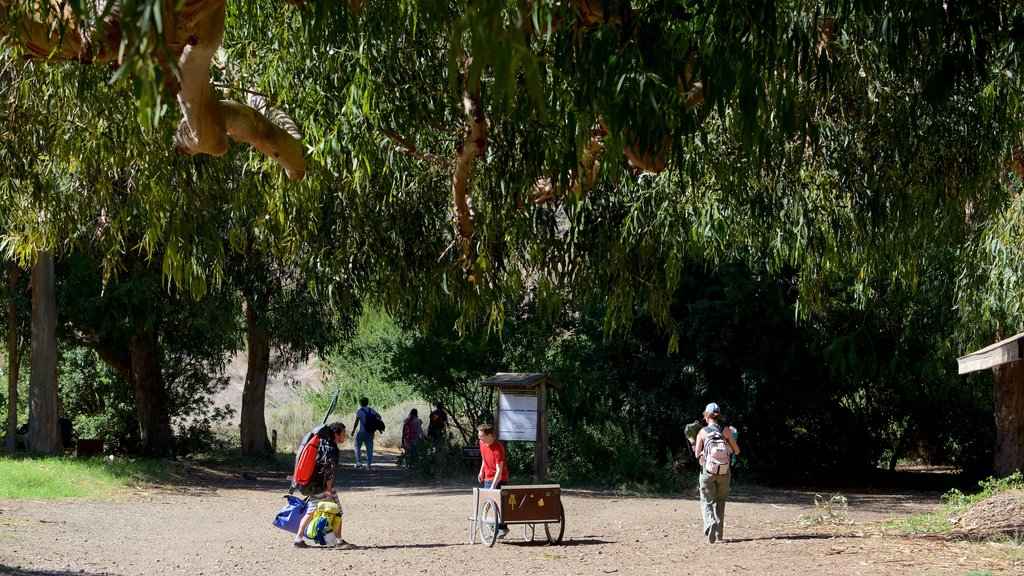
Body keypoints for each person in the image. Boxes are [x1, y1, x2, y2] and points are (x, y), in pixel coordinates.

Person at [294, 422, 355, 549]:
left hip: (313, 485)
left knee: (310, 511)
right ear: (336, 434)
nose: (345, 435)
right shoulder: (332, 449)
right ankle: (339, 541)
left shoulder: (321, 445)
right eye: (343, 433)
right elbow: (329, 470)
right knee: (337, 511)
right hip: (323, 486)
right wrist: (328, 489)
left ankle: (298, 540)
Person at [693, 402, 740, 544]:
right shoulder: (726, 430)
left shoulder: (702, 432)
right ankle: (719, 533)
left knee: (706, 501)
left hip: (708, 471)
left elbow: (696, 454)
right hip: (724, 472)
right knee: (720, 502)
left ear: (706, 416)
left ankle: (710, 522)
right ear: (719, 415)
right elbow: (737, 450)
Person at [477, 423, 509, 538]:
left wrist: (494, 486)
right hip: (487, 477)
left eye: (482, 436)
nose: (480, 438)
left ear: (490, 435)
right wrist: (482, 471)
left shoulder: (498, 448)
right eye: (479, 436)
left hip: (499, 479)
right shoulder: (482, 443)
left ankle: (502, 528)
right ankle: (493, 529)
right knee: (487, 505)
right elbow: (484, 458)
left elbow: (499, 470)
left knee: (499, 505)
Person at [351, 397, 380, 468]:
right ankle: (368, 463)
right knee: (369, 447)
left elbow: (356, 422)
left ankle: (359, 462)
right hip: (370, 431)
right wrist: (374, 423)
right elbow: (379, 417)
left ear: (361, 403)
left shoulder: (360, 411)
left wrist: (353, 430)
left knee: (357, 446)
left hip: (362, 431)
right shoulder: (371, 410)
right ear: (367, 403)